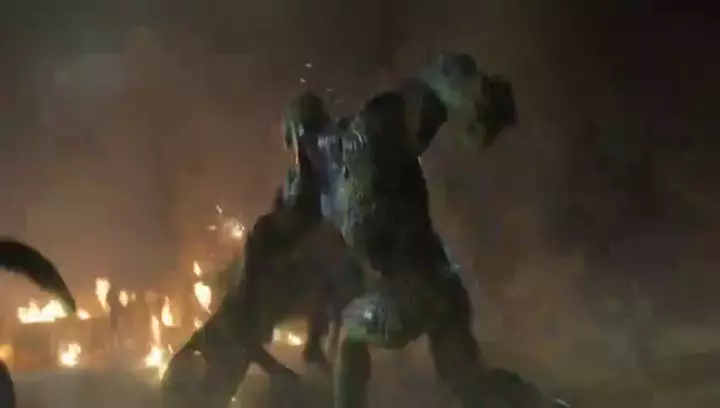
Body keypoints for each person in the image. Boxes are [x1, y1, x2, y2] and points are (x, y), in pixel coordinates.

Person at [280, 53, 567, 408]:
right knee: (469, 381)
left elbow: (430, 85)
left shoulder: (362, 139)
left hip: (407, 295)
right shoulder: (333, 183)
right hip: (444, 286)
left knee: (349, 342)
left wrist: (475, 94)